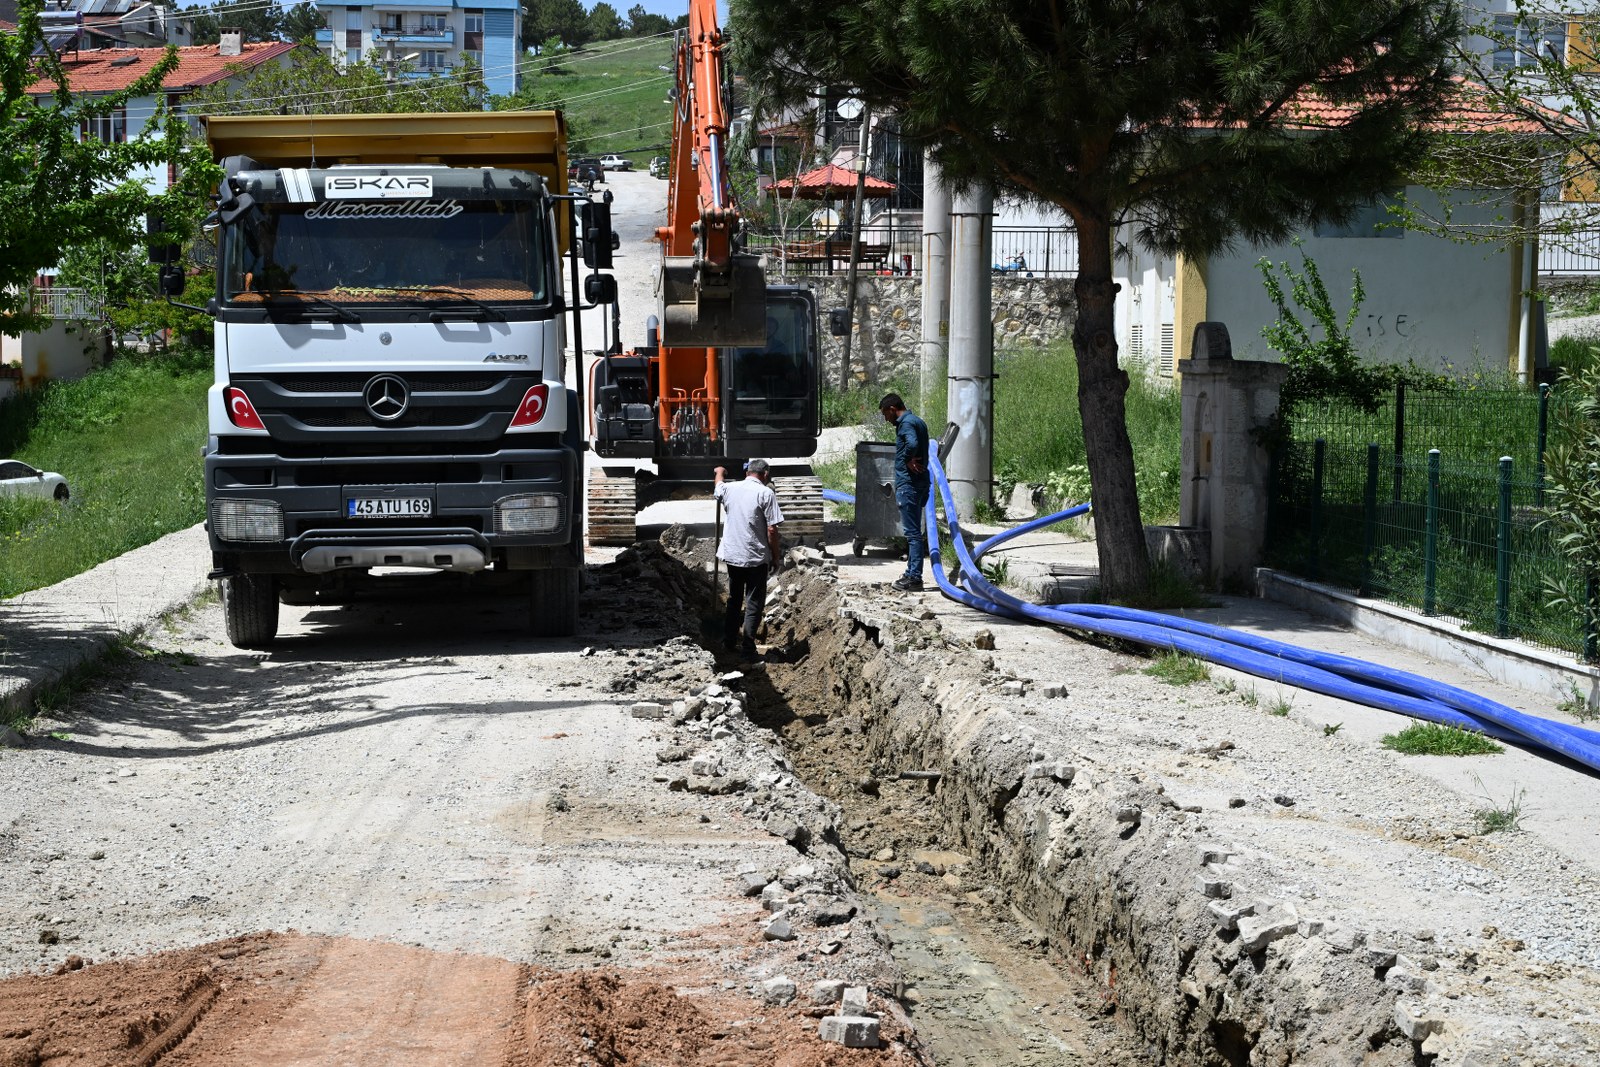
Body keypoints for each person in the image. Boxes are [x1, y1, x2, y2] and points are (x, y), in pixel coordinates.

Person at [713, 458, 785, 655]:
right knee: (753, 601)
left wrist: (719, 471)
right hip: (755, 557)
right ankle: (747, 646)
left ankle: (728, 642)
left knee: (734, 599)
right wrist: (775, 557)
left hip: (733, 554)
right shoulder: (765, 492)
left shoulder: (730, 488)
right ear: (765, 475)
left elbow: (718, 485)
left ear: (747, 473)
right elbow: (771, 529)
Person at [879, 393, 931, 592]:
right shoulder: (918, 421)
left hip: (908, 485)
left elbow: (912, 444)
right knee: (914, 532)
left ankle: (915, 578)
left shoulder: (906, 423)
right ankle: (910, 573)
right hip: (919, 484)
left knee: (912, 534)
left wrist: (908, 459)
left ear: (893, 409)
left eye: (886, 414)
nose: (886, 419)